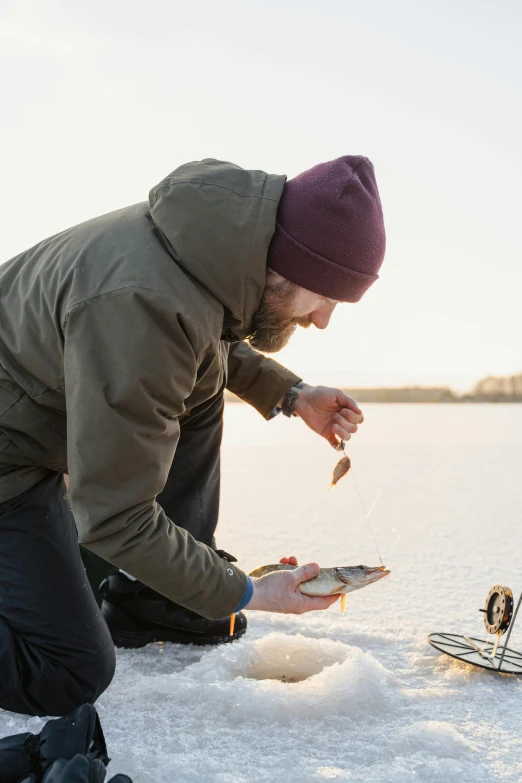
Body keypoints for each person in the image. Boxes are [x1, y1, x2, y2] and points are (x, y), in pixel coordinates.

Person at [0, 155, 386, 717]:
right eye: (325, 296)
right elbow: (115, 515)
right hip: (8, 466)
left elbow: (205, 343)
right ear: (290, 262)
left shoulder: (203, 251)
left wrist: (293, 394)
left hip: (27, 429)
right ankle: (155, 584)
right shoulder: (142, 303)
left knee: (200, 389)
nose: (322, 319)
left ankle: (154, 597)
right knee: (67, 670)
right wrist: (246, 591)